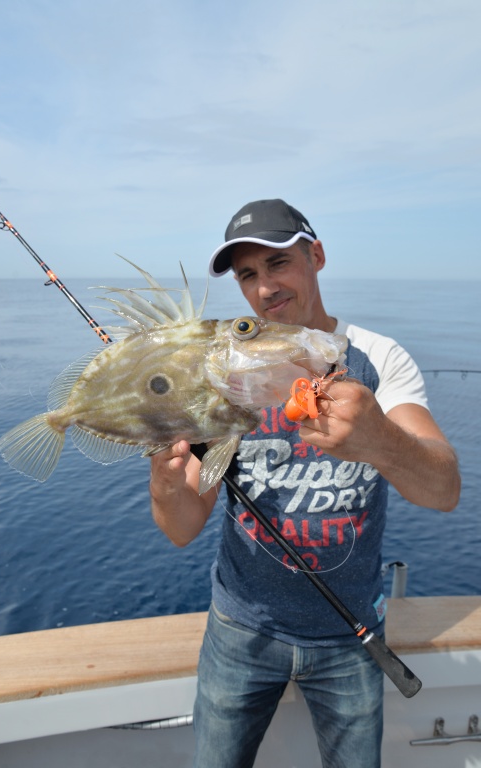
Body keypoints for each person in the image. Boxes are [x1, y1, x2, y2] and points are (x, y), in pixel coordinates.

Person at [149, 198, 461, 768]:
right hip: (240, 632)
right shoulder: (224, 371)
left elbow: (444, 490)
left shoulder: (377, 359)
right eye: (248, 274)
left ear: (315, 256)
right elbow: (181, 526)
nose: (265, 286)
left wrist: (379, 439)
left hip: (352, 638)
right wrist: (166, 482)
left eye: (277, 263)